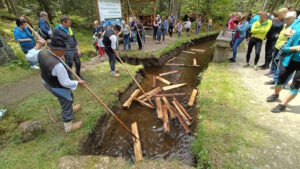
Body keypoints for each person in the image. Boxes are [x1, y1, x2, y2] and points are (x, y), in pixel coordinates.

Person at [38, 35, 86, 132]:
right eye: (63, 50)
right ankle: (68, 126)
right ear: (56, 50)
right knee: (66, 101)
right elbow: (65, 83)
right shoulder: (58, 65)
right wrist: (78, 82)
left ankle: (71, 109)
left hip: (47, 81)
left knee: (69, 97)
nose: (65, 52)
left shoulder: (42, 53)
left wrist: (61, 57)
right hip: (57, 86)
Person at [266, 29, 300, 113]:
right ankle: (275, 94)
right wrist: (294, 48)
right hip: (290, 61)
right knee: (280, 80)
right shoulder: (298, 33)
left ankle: (283, 105)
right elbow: (284, 47)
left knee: (296, 85)